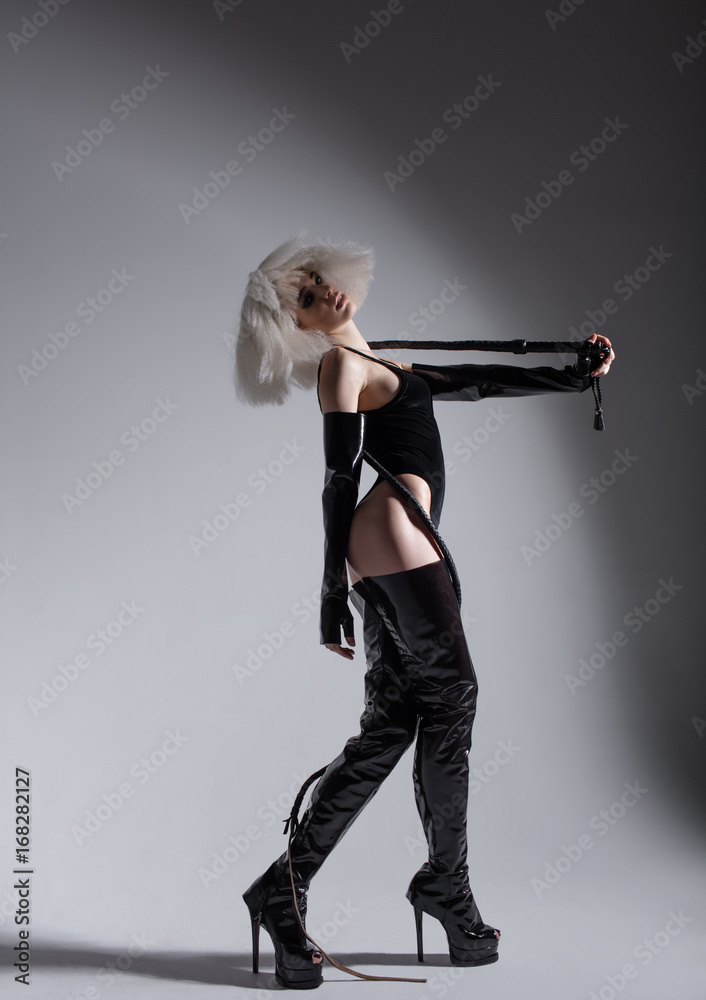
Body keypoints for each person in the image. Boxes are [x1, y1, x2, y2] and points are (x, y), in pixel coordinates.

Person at [234, 233, 615, 990]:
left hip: (389, 538)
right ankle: (447, 886)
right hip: (389, 530)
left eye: (315, 282)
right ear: (297, 325)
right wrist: (328, 594)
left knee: (394, 724)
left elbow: (475, 383)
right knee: (455, 699)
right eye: (304, 299)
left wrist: (576, 376)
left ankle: (284, 888)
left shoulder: (382, 362)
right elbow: (336, 479)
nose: (323, 294)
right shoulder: (342, 367)